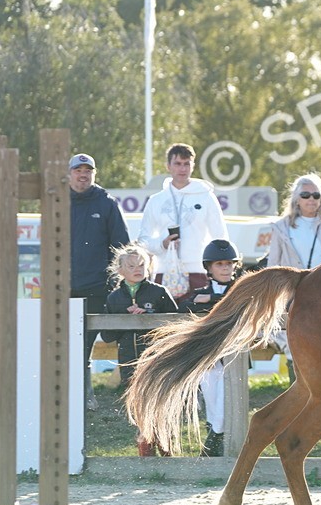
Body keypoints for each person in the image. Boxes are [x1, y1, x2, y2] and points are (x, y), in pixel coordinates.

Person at [99, 243, 178, 456]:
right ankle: (145, 441)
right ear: (120, 270)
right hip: (128, 358)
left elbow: (175, 324)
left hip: (156, 358)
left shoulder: (159, 292)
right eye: (131, 265)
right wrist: (123, 319)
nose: (137, 268)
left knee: (159, 398)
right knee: (138, 401)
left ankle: (165, 441)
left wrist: (149, 318)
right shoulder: (114, 298)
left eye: (142, 264)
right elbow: (107, 335)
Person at [68, 152, 131, 411]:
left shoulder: (107, 203)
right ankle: (66, 398)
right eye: (78, 170)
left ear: (94, 174)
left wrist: (113, 284)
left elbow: (121, 247)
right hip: (63, 287)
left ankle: (84, 397)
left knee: (83, 344)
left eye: (88, 171)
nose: (83, 175)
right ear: (69, 173)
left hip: (96, 288)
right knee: (62, 343)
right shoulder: (56, 201)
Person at [267, 174, 321, 380]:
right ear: (296, 199)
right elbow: (273, 263)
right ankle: (296, 390)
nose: (311, 199)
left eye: (316, 195)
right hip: (293, 292)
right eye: (306, 194)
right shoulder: (281, 226)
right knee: (294, 341)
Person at [137, 142, 229, 298]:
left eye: (187, 164)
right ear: (168, 166)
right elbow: (142, 241)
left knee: (198, 320)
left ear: (193, 166)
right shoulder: (156, 200)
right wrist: (162, 244)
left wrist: (216, 269)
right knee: (164, 321)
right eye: (178, 164)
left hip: (198, 271)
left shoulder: (206, 196)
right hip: (163, 271)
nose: (182, 169)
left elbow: (220, 237)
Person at [178, 239, 242, 457]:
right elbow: (183, 307)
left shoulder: (241, 288)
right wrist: (201, 298)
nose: (225, 268)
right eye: (219, 264)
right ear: (209, 268)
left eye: (229, 263)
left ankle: (209, 452)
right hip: (208, 358)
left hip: (234, 358)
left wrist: (213, 298)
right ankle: (217, 450)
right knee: (214, 408)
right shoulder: (200, 292)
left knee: (225, 408)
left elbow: (242, 304)